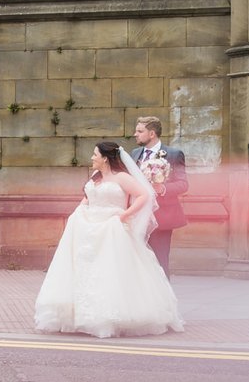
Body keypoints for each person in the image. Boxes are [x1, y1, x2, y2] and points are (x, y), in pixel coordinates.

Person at [33, 141, 184, 338]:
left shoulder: (121, 177)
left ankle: (110, 316)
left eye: (95, 154)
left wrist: (123, 216)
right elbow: (88, 197)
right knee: (83, 268)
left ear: (105, 158)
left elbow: (144, 195)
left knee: (110, 269)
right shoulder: (96, 177)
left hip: (112, 227)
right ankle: (79, 315)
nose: (92, 158)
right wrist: (79, 210)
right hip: (87, 226)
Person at [131, 116, 189, 277]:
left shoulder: (173, 154)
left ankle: (165, 299)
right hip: (138, 214)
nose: (135, 134)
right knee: (138, 260)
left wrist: (162, 187)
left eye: (139, 131)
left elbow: (183, 184)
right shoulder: (135, 153)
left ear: (152, 134)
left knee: (160, 260)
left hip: (162, 216)